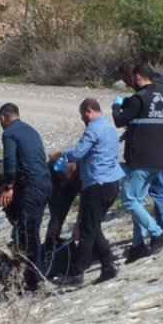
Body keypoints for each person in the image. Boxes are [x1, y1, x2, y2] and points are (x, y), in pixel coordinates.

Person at [50, 98, 124, 286]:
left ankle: (77, 272)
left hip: (97, 183)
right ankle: (108, 265)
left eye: (83, 114)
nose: (82, 118)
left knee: (87, 229)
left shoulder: (94, 128)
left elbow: (78, 152)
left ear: (88, 111)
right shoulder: (109, 128)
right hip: (111, 181)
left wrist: (62, 156)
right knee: (93, 225)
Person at [114, 63, 163, 262]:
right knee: (139, 201)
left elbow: (119, 120)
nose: (130, 83)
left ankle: (157, 233)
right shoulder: (161, 96)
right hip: (158, 157)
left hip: (142, 159)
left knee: (129, 200)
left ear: (140, 77)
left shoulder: (139, 98)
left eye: (132, 79)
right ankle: (137, 245)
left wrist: (116, 106)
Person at [0, 102, 53, 286]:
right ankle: (36, 275)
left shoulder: (9, 133)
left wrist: (9, 185)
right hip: (45, 182)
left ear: (3, 118)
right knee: (32, 230)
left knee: (28, 232)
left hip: (31, 185)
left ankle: (34, 280)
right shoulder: (30, 130)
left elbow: (10, 160)